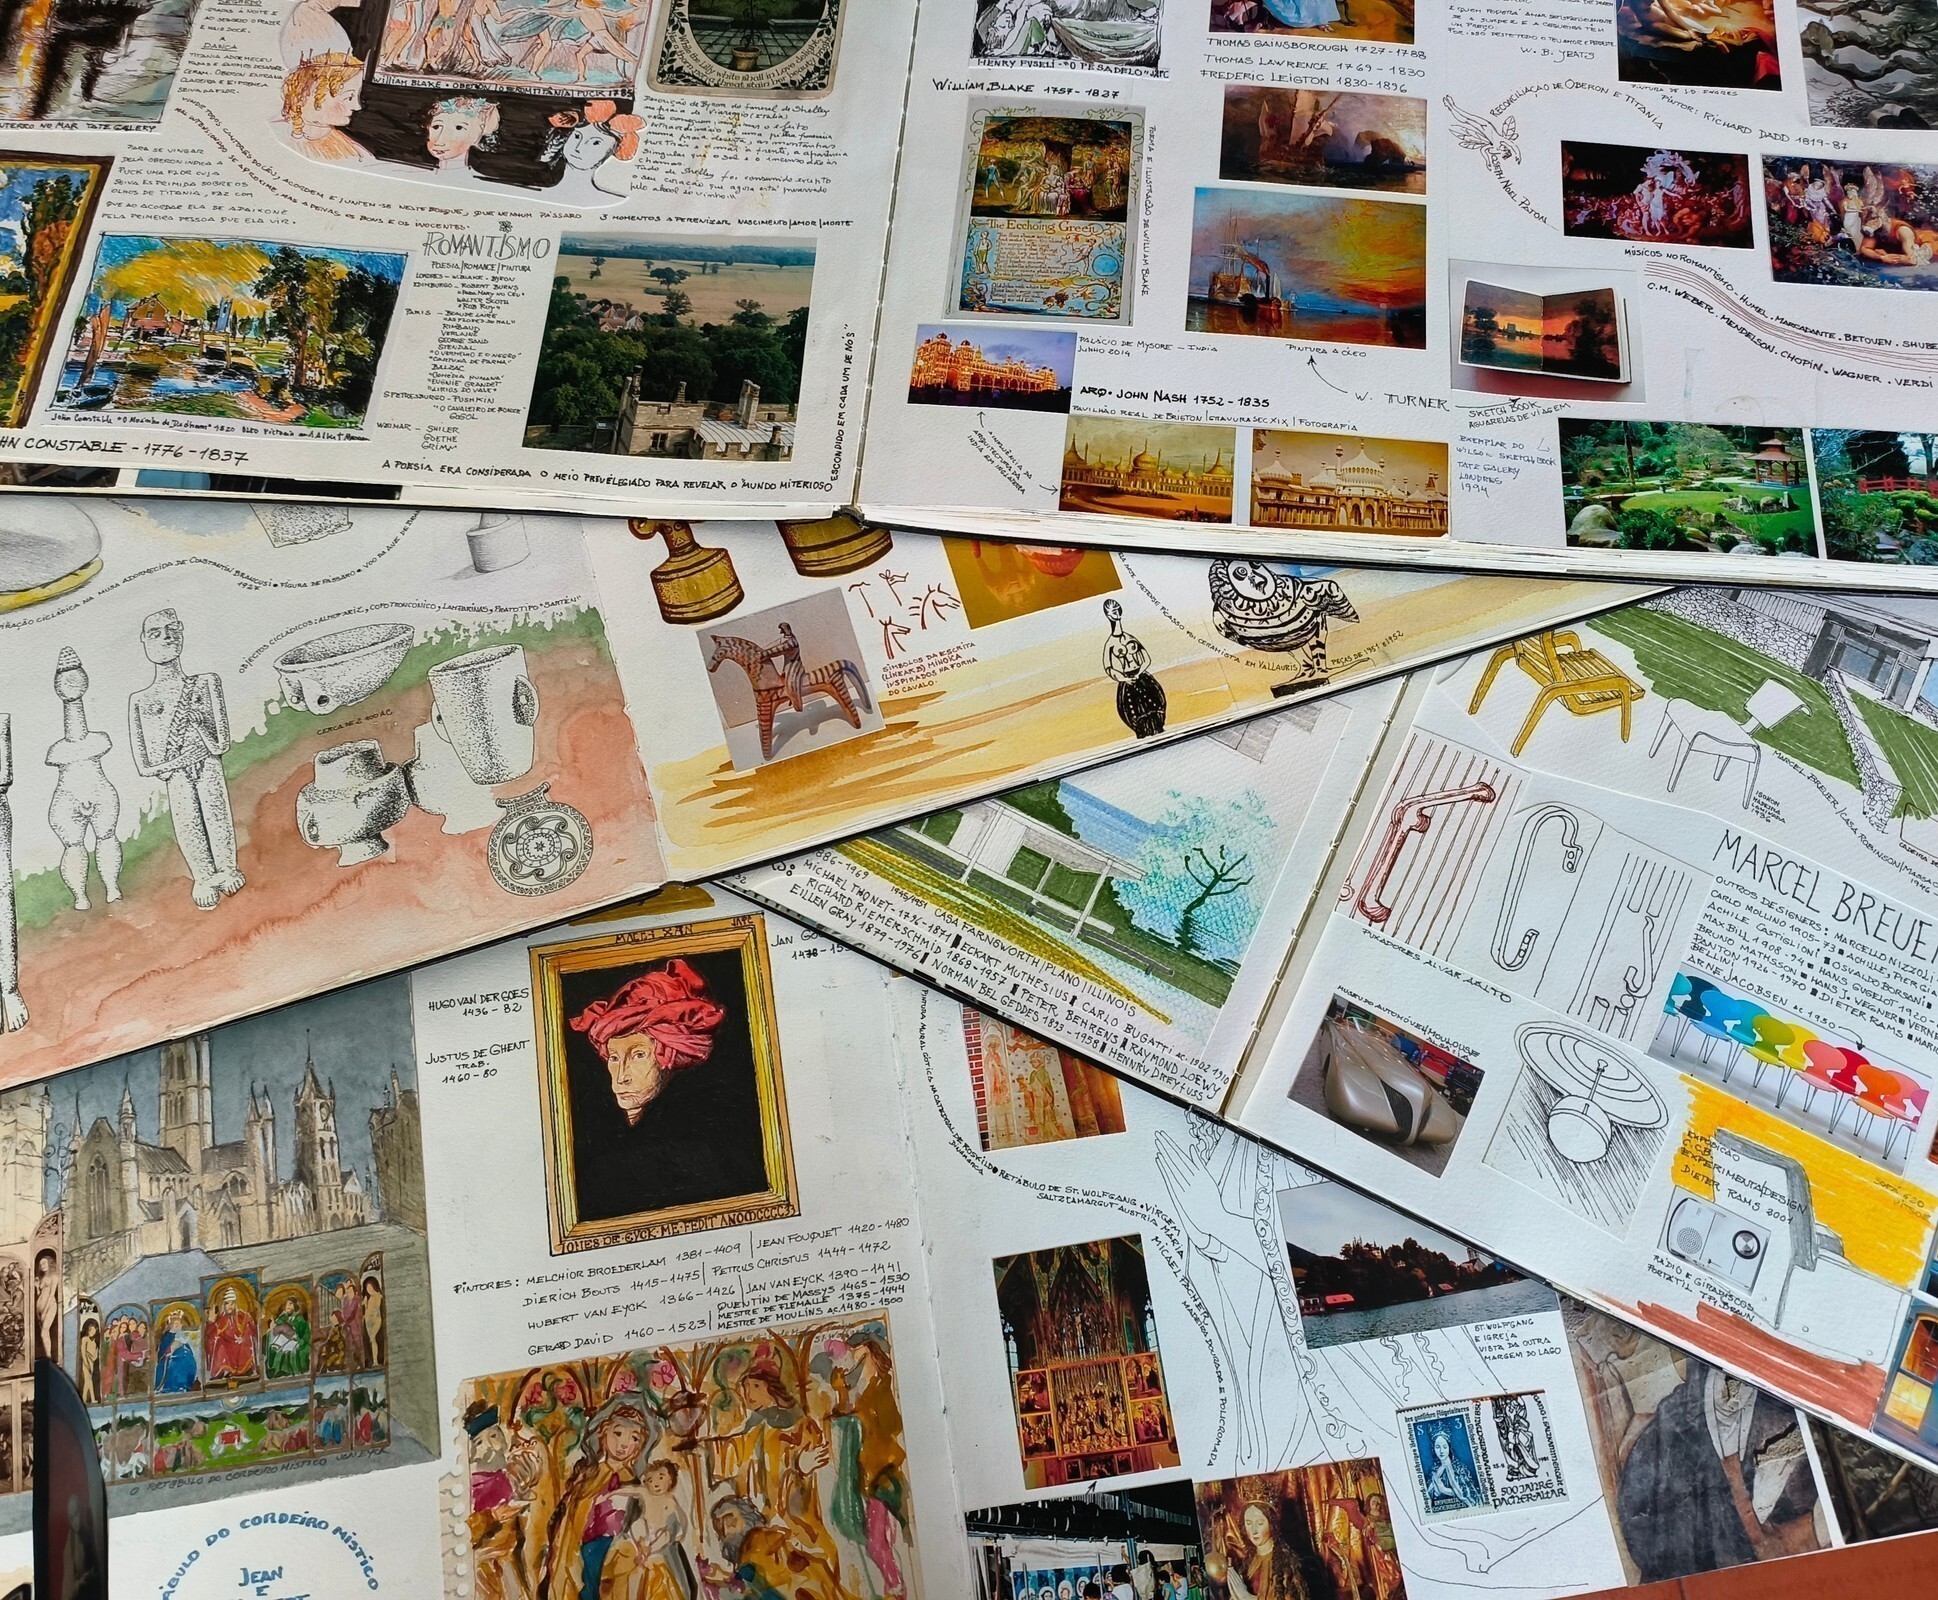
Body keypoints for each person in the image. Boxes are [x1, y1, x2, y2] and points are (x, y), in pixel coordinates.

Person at [566, 956, 771, 1222]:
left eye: (638, 1055)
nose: (621, 1076)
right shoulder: (601, 1143)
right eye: (614, 1058)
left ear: (669, 1056)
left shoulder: (699, 1146)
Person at [540, 99, 642, 205]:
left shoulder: (614, 202)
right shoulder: (535, 195)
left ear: (613, 149)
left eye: (596, 142)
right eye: (577, 136)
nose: (579, 147)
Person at [281, 51, 375, 163]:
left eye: (357, 96)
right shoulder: (276, 138)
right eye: (349, 97)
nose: (357, 106)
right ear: (311, 92)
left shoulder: (355, 152)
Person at [425, 95, 500, 183]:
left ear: (477, 134)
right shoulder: (420, 176)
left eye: (459, 128)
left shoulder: (483, 184)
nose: (440, 140)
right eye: (436, 126)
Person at [204, 1285, 257, 1383]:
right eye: (227, 1303)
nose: (230, 1306)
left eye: (232, 1303)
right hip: (227, 1344)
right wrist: (211, 1322)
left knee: (245, 1343)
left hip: (241, 1343)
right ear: (224, 1305)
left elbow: (250, 1329)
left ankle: (246, 1370)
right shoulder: (222, 1318)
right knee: (220, 1343)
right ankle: (222, 1371)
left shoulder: (243, 1316)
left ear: (235, 1304)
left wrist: (243, 1337)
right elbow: (215, 1332)